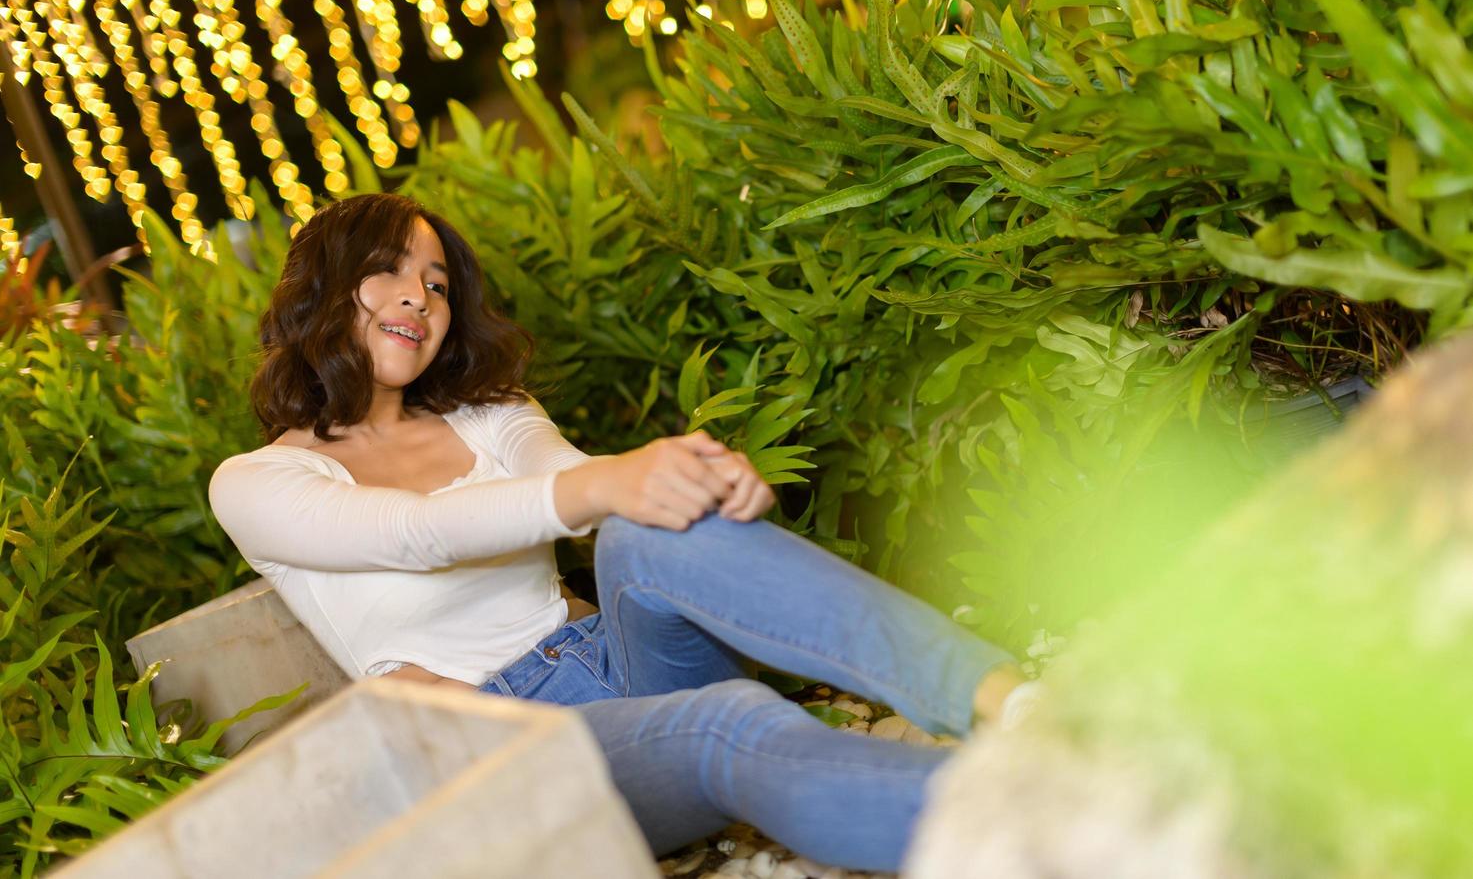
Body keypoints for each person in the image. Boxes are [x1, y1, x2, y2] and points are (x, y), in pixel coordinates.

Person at [209, 193, 1034, 872]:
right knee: (730, 722)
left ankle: (1015, 704)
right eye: (385, 271)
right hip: (510, 752)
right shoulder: (258, 484)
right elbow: (416, 534)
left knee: (646, 531)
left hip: (617, 656)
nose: (418, 297)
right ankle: (1038, 833)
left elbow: (570, 477)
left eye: (435, 283)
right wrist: (615, 480)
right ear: (320, 290)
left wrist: (692, 485)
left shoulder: (492, 412)